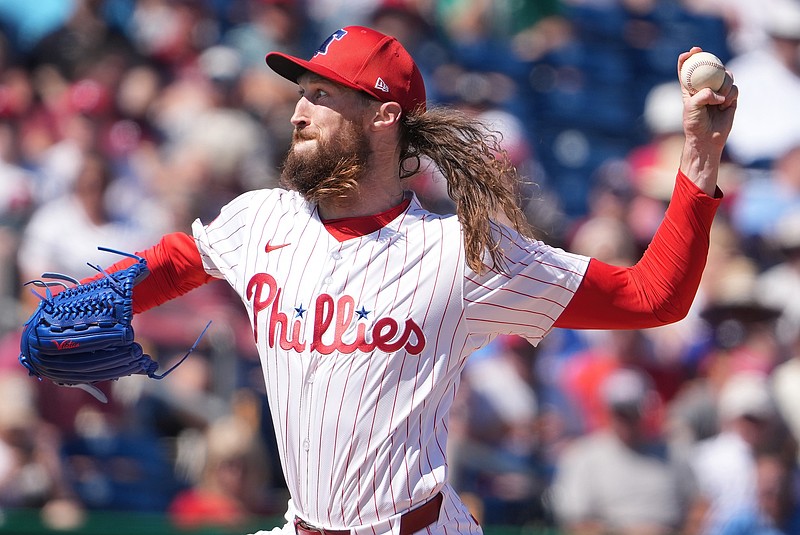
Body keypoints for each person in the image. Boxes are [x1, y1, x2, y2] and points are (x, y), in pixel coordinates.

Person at [64, 25, 737, 535]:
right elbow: (182, 257)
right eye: (302, 94)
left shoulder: (463, 251)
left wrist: (700, 157)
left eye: (322, 96)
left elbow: (654, 296)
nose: (298, 112)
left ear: (383, 117)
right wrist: (83, 305)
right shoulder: (262, 218)